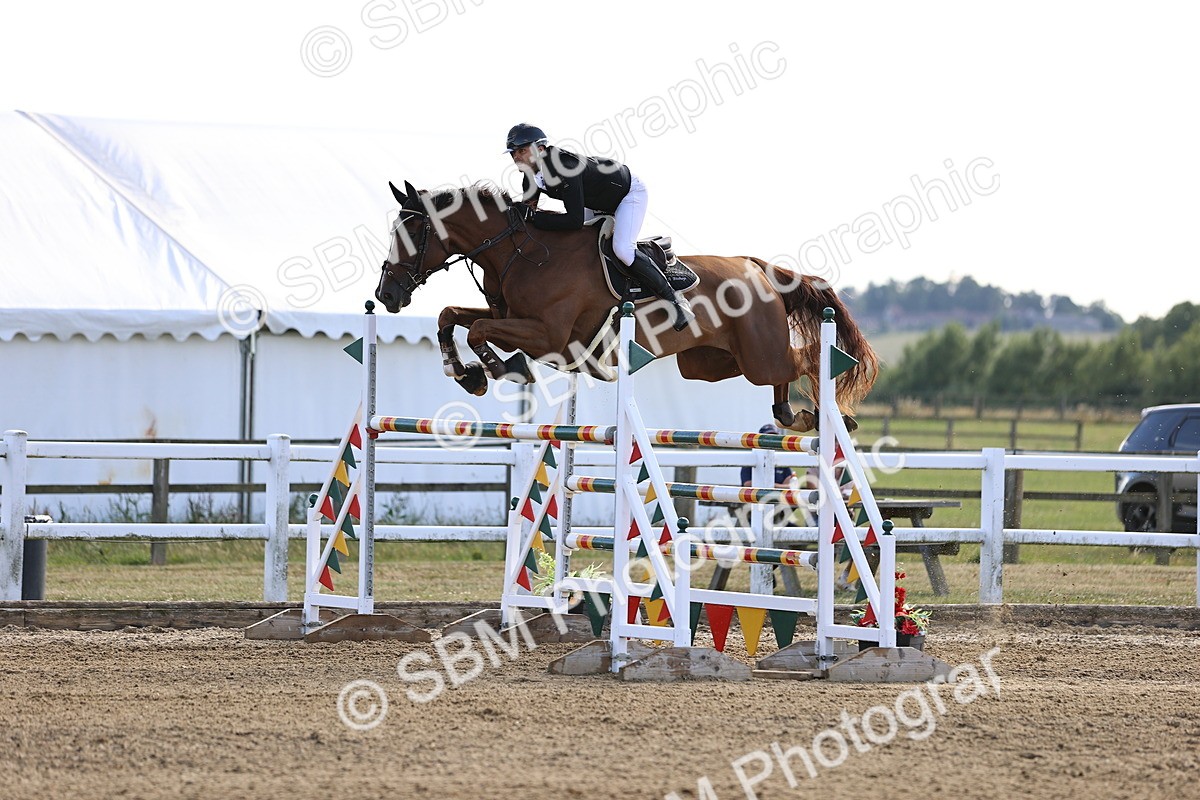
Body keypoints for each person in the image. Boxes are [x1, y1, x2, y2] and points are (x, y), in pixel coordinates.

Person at [504, 123, 695, 331]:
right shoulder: (531, 176)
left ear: (539, 149)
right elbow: (527, 215)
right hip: (595, 201)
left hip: (627, 194)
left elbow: (573, 221)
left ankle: (676, 302)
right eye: (513, 153)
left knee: (622, 249)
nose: (516, 157)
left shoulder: (564, 166)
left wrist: (535, 218)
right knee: (581, 247)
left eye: (521, 151)